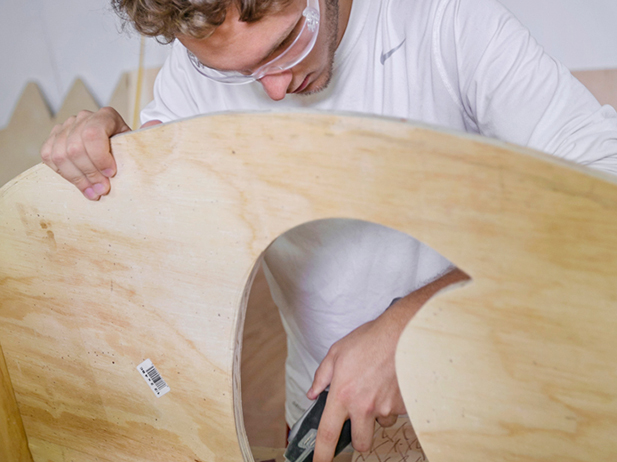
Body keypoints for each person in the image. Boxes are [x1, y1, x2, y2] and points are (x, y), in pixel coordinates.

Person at [40, 0, 617, 460]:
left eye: (286, 44)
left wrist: (411, 324)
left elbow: (603, 191)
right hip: (325, 414)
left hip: (495, 399)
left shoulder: (447, 19)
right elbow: (166, 236)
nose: (273, 89)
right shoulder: (191, 76)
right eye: (233, 73)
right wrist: (121, 162)